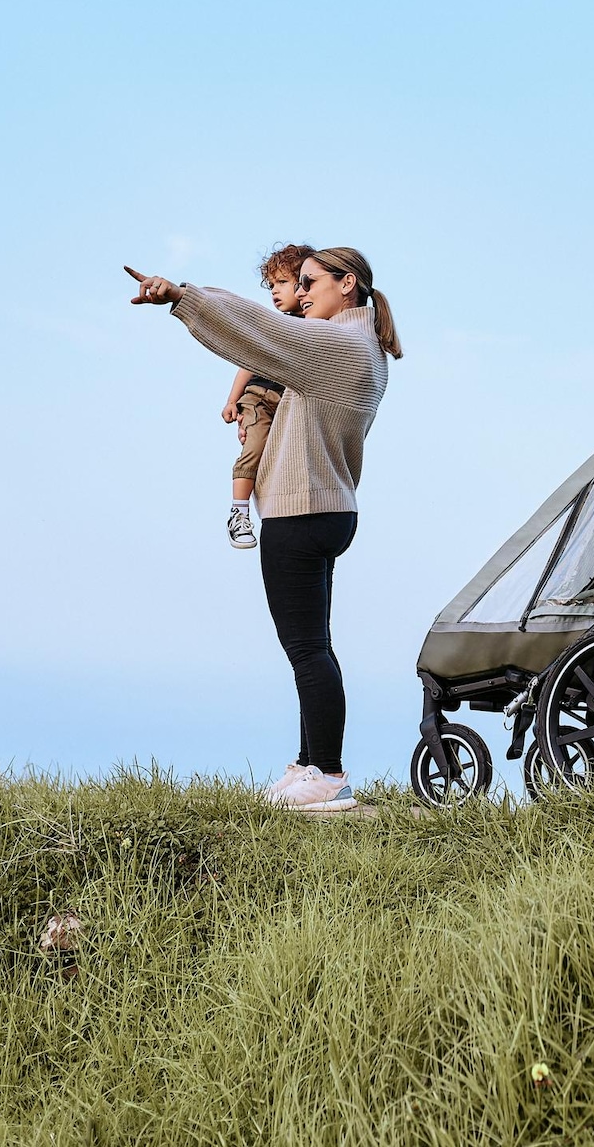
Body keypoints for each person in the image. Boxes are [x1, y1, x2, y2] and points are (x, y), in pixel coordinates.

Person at [126, 246, 401, 812]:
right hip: (331, 508)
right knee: (314, 645)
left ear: (346, 284)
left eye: (310, 283)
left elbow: (257, 331)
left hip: (299, 512)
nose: (301, 295)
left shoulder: (337, 345)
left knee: (305, 649)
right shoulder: (366, 348)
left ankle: (327, 774)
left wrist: (182, 296)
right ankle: (309, 764)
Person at [219, 243, 314, 551]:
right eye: (271, 285)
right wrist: (232, 400)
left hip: (290, 402)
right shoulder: (274, 323)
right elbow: (248, 362)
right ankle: (239, 512)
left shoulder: (317, 324)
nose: (274, 291)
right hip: (259, 397)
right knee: (255, 446)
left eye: (282, 282)